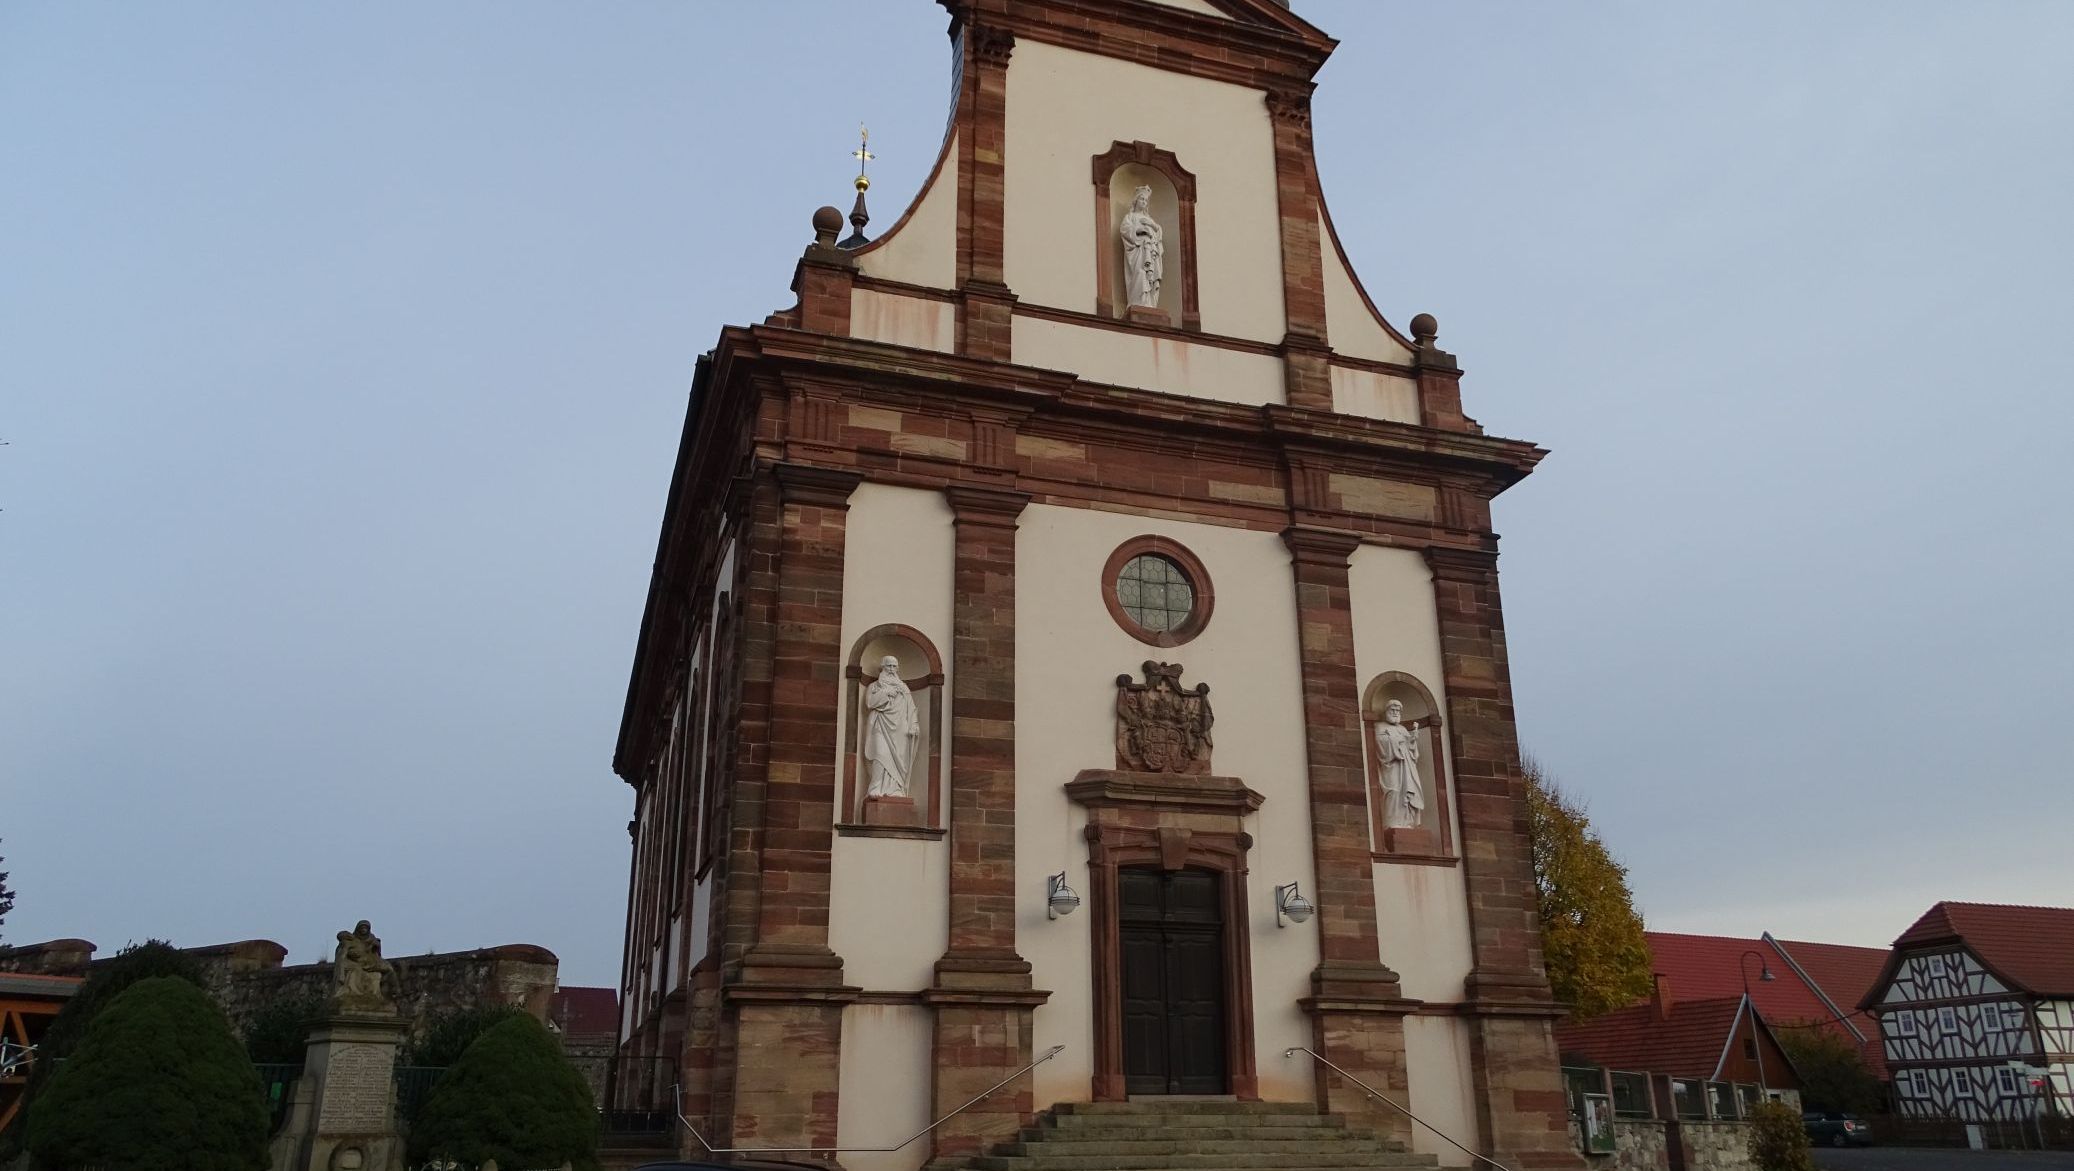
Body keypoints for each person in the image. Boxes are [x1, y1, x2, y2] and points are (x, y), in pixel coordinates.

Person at [862, 656, 920, 798]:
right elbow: (869, 703)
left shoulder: (904, 688)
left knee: (898, 759)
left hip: (901, 729)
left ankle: (896, 789)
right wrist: (885, 693)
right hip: (881, 725)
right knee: (880, 754)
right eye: (888, 666)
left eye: (894, 666)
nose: (891, 669)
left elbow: (911, 709)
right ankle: (876, 787)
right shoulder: (875, 686)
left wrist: (913, 725)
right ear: (882, 667)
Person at [1374, 700, 1428, 830]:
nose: (1395, 713)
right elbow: (1380, 743)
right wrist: (1395, 741)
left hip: (1407, 767)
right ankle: (1391, 822)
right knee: (1393, 791)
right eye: (1392, 710)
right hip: (1392, 766)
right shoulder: (1380, 727)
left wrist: (1412, 740)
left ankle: (1408, 822)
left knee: (1407, 794)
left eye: (1397, 711)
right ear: (1386, 711)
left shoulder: (1403, 729)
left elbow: (1412, 752)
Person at [1120, 185, 1164, 309]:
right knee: (1139, 273)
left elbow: (1158, 234)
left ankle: (1149, 302)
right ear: (1136, 201)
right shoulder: (1130, 217)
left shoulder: (1149, 219)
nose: (1144, 202)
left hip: (1150, 251)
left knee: (1149, 276)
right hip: (1138, 251)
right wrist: (1139, 230)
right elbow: (1125, 229)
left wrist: (1153, 225)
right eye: (1141, 199)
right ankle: (1137, 301)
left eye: (1145, 200)